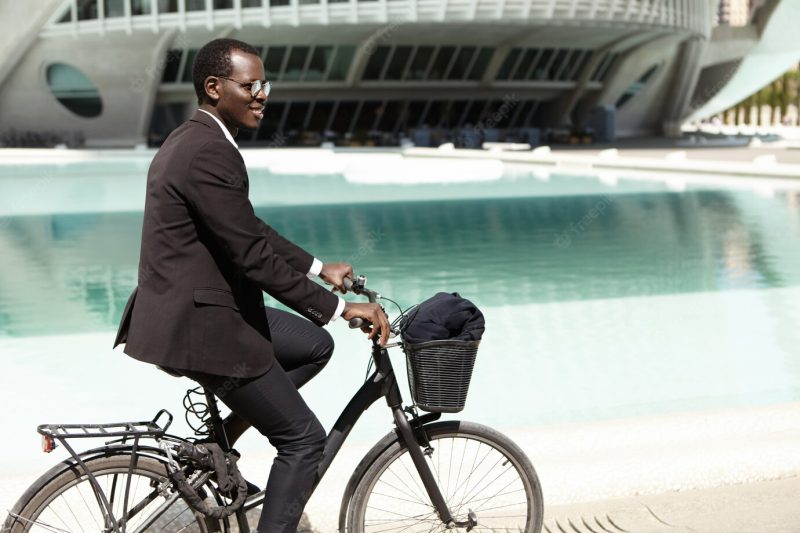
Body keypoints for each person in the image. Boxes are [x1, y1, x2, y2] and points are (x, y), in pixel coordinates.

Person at [113, 38, 390, 533]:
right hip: (200, 327)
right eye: (250, 85)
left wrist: (318, 266)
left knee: (311, 346)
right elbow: (250, 257)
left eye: (264, 84)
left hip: (184, 314)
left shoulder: (195, 139)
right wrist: (338, 307)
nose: (261, 94)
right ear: (215, 88)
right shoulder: (209, 151)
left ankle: (219, 440)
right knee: (303, 440)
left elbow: (247, 228)